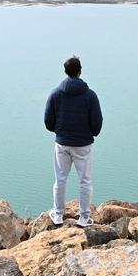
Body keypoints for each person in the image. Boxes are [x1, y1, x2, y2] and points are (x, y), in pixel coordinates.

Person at [43, 55, 103, 227]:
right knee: (85, 180)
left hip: (62, 144)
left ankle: (58, 214)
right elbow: (97, 123)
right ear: (80, 71)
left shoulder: (55, 93)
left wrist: (61, 132)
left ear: (65, 72)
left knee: (60, 179)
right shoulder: (90, 96)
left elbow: (48, 121)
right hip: (83, 144)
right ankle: (84, 218)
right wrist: (89, 134)